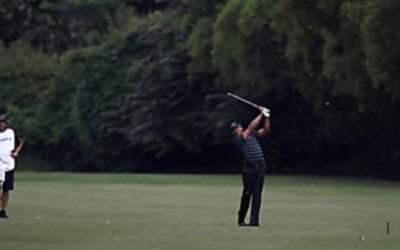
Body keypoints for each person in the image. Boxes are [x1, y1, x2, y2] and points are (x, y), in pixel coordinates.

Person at [231, 106, 270, 227]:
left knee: (257, 195)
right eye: (235, 129)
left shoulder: (252, 134)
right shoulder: (239, 139)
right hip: (249, 169)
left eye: (238, 127)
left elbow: (265, 130)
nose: (238, 129)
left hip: (260, 167)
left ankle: (254, 221)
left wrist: (267, 117)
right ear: (234, 132)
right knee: (247, 194)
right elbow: (251, 126)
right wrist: (260, 114)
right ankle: (241, 219)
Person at [0, 114, 23, 219]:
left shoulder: (11, 133)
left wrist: (16, 153)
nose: (1, 124)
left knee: (6, 189)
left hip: (9, 164)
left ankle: (3, 210)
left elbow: (19, 143)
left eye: (3, 122)